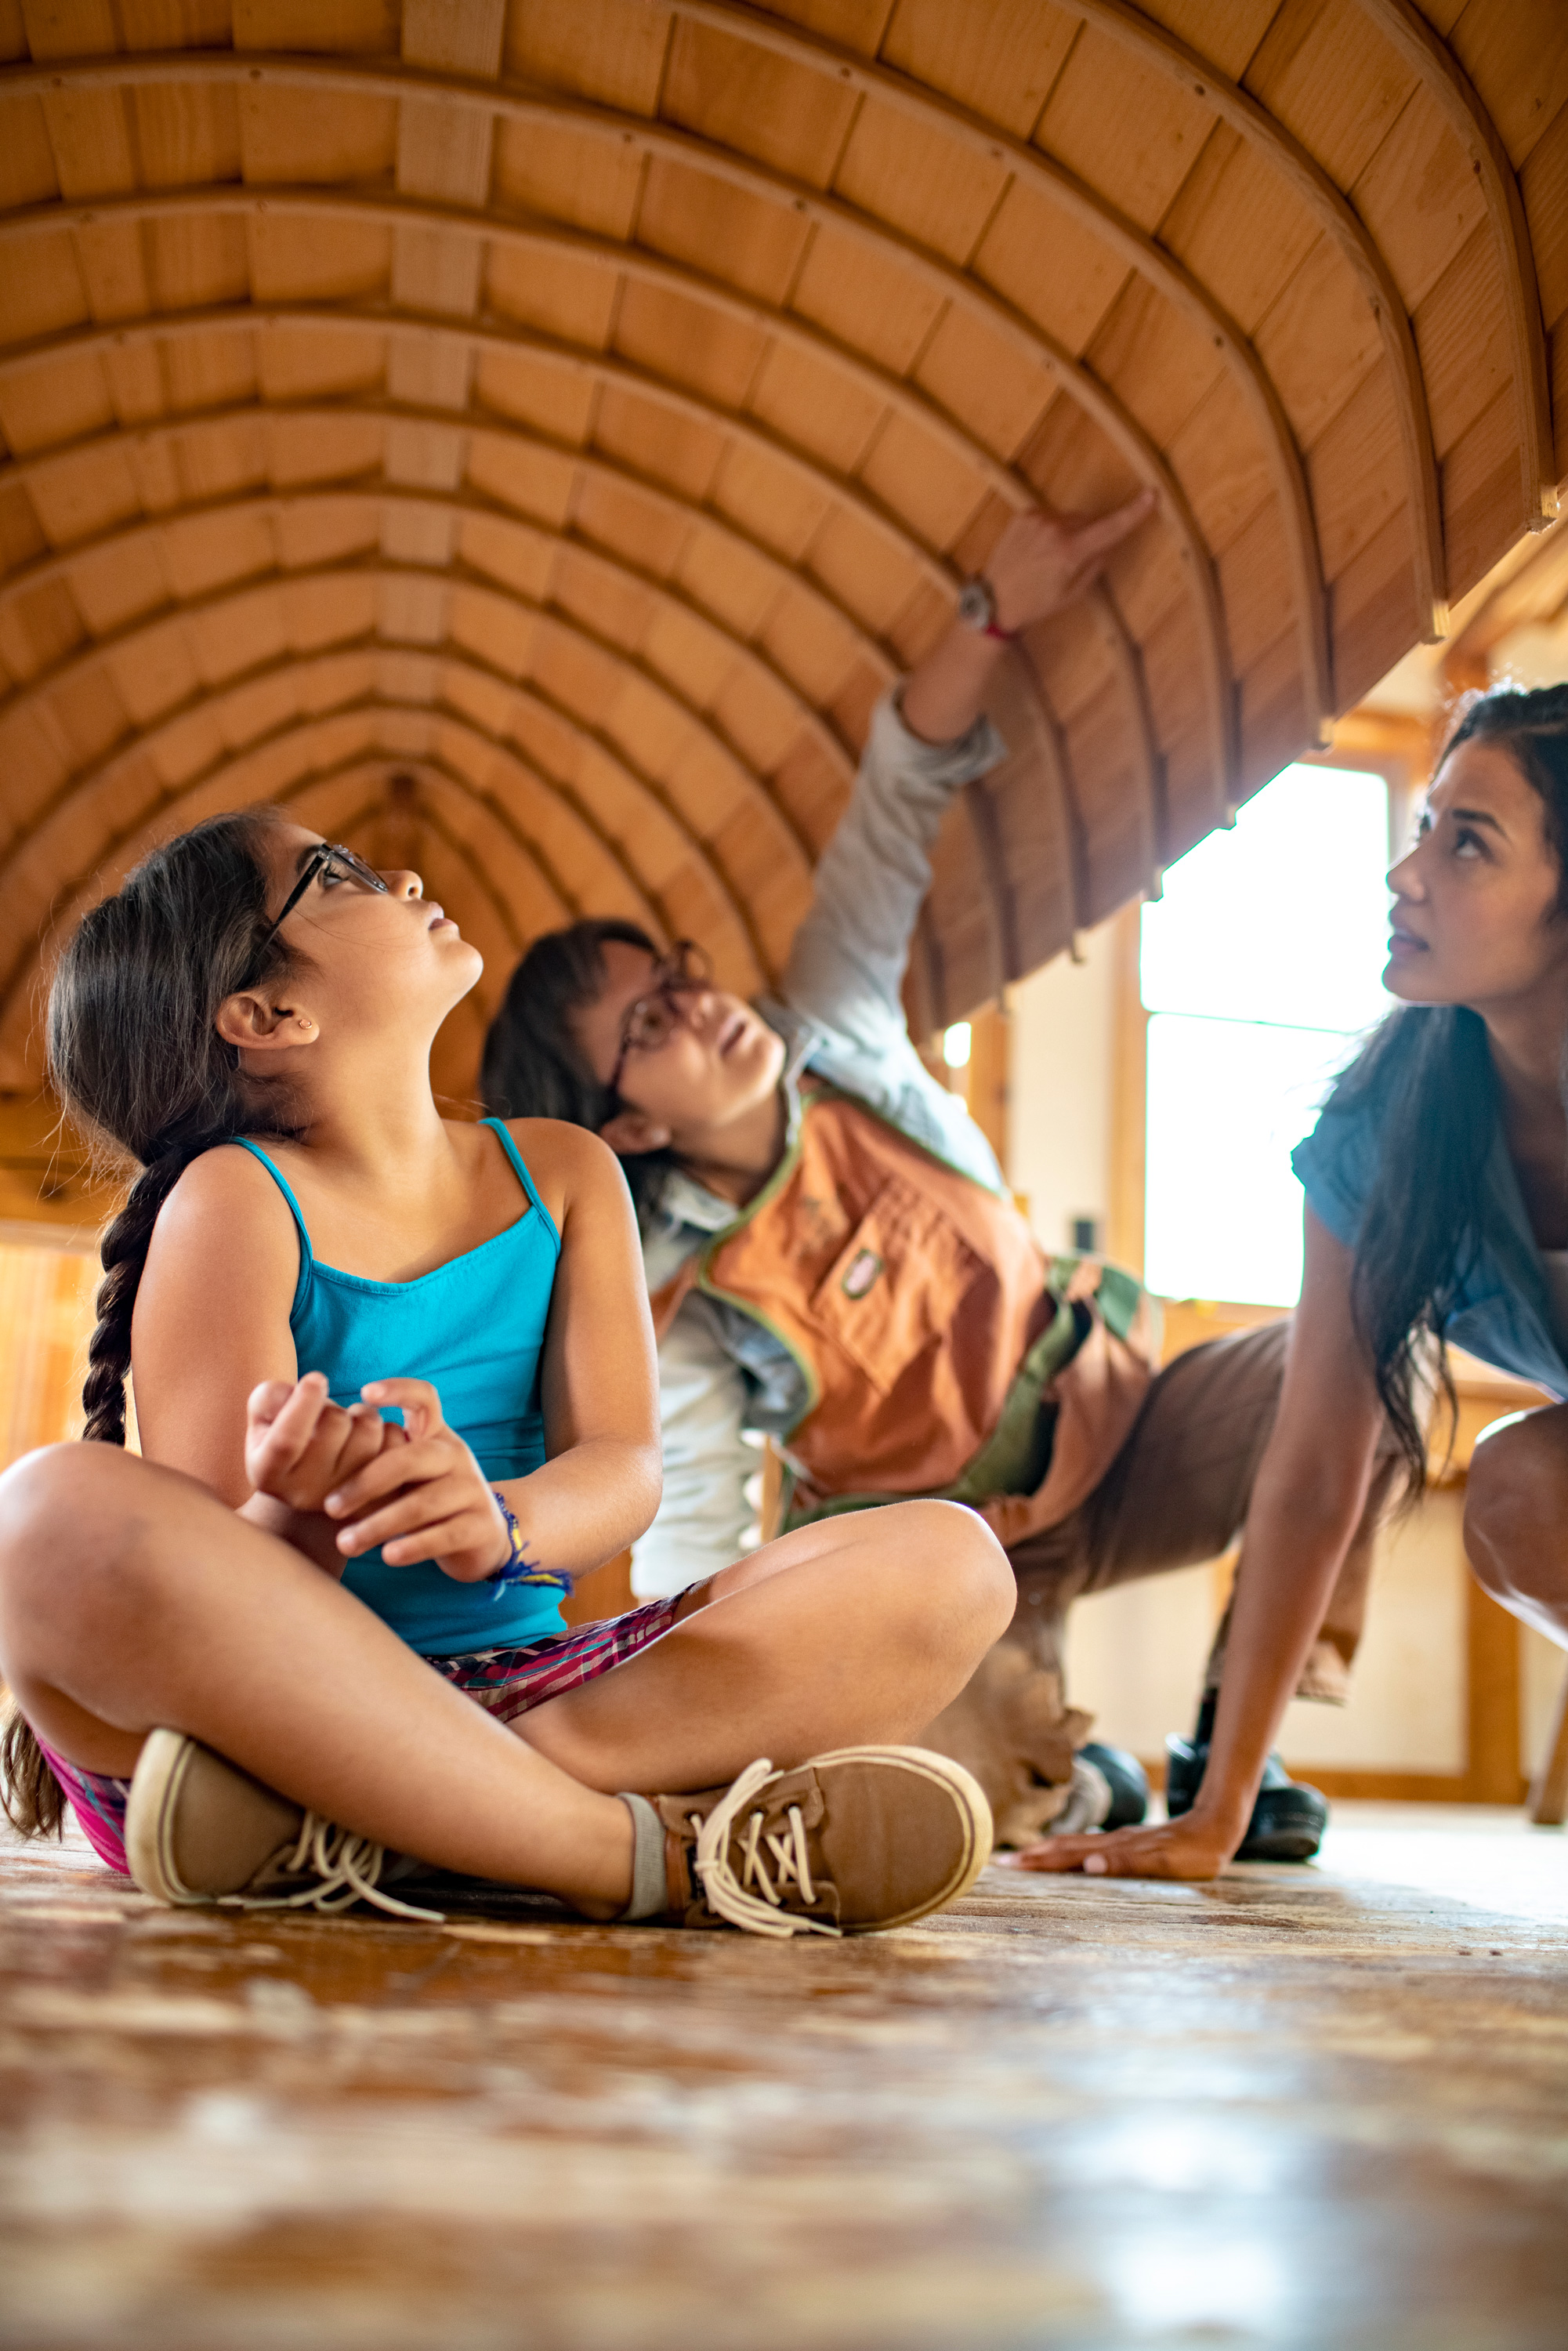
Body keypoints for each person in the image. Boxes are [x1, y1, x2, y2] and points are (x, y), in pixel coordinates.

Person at [480, 497, 1374, 1859]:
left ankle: (1218, 1746)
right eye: (649, 1024)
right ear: (630, 1127)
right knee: (935, 1795)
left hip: (1118, 1427)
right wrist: (674, 1711)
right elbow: (689, 1510)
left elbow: (895, 798)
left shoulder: (835, 1021)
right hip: (954, 1561)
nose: (700, 1005)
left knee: (1366, 1356)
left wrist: (993, 611)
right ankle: (1081, 1779)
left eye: (677, 974)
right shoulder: (671, 1292)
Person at [0, 813, 1016, 1936]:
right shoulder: (233, 1200)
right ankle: (626, 1853)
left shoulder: (569, 1171)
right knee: (41, 1514)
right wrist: (307, 1521)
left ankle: (373, 1826)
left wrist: (504, 1524)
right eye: (336, 876)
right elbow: (209, 1599)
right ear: (270, 1015)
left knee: (954, 1563)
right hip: (250, 1735)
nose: (403, 876)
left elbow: (624, 1464)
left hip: (528, 1694)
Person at [1019, 681, 1568, 1882]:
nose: (1404, 874)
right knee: (1521, 1491)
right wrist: (1215, 1813)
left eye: (1466, 843)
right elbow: (1315, 1468)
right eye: (1422, 826)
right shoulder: (1385, 1131)